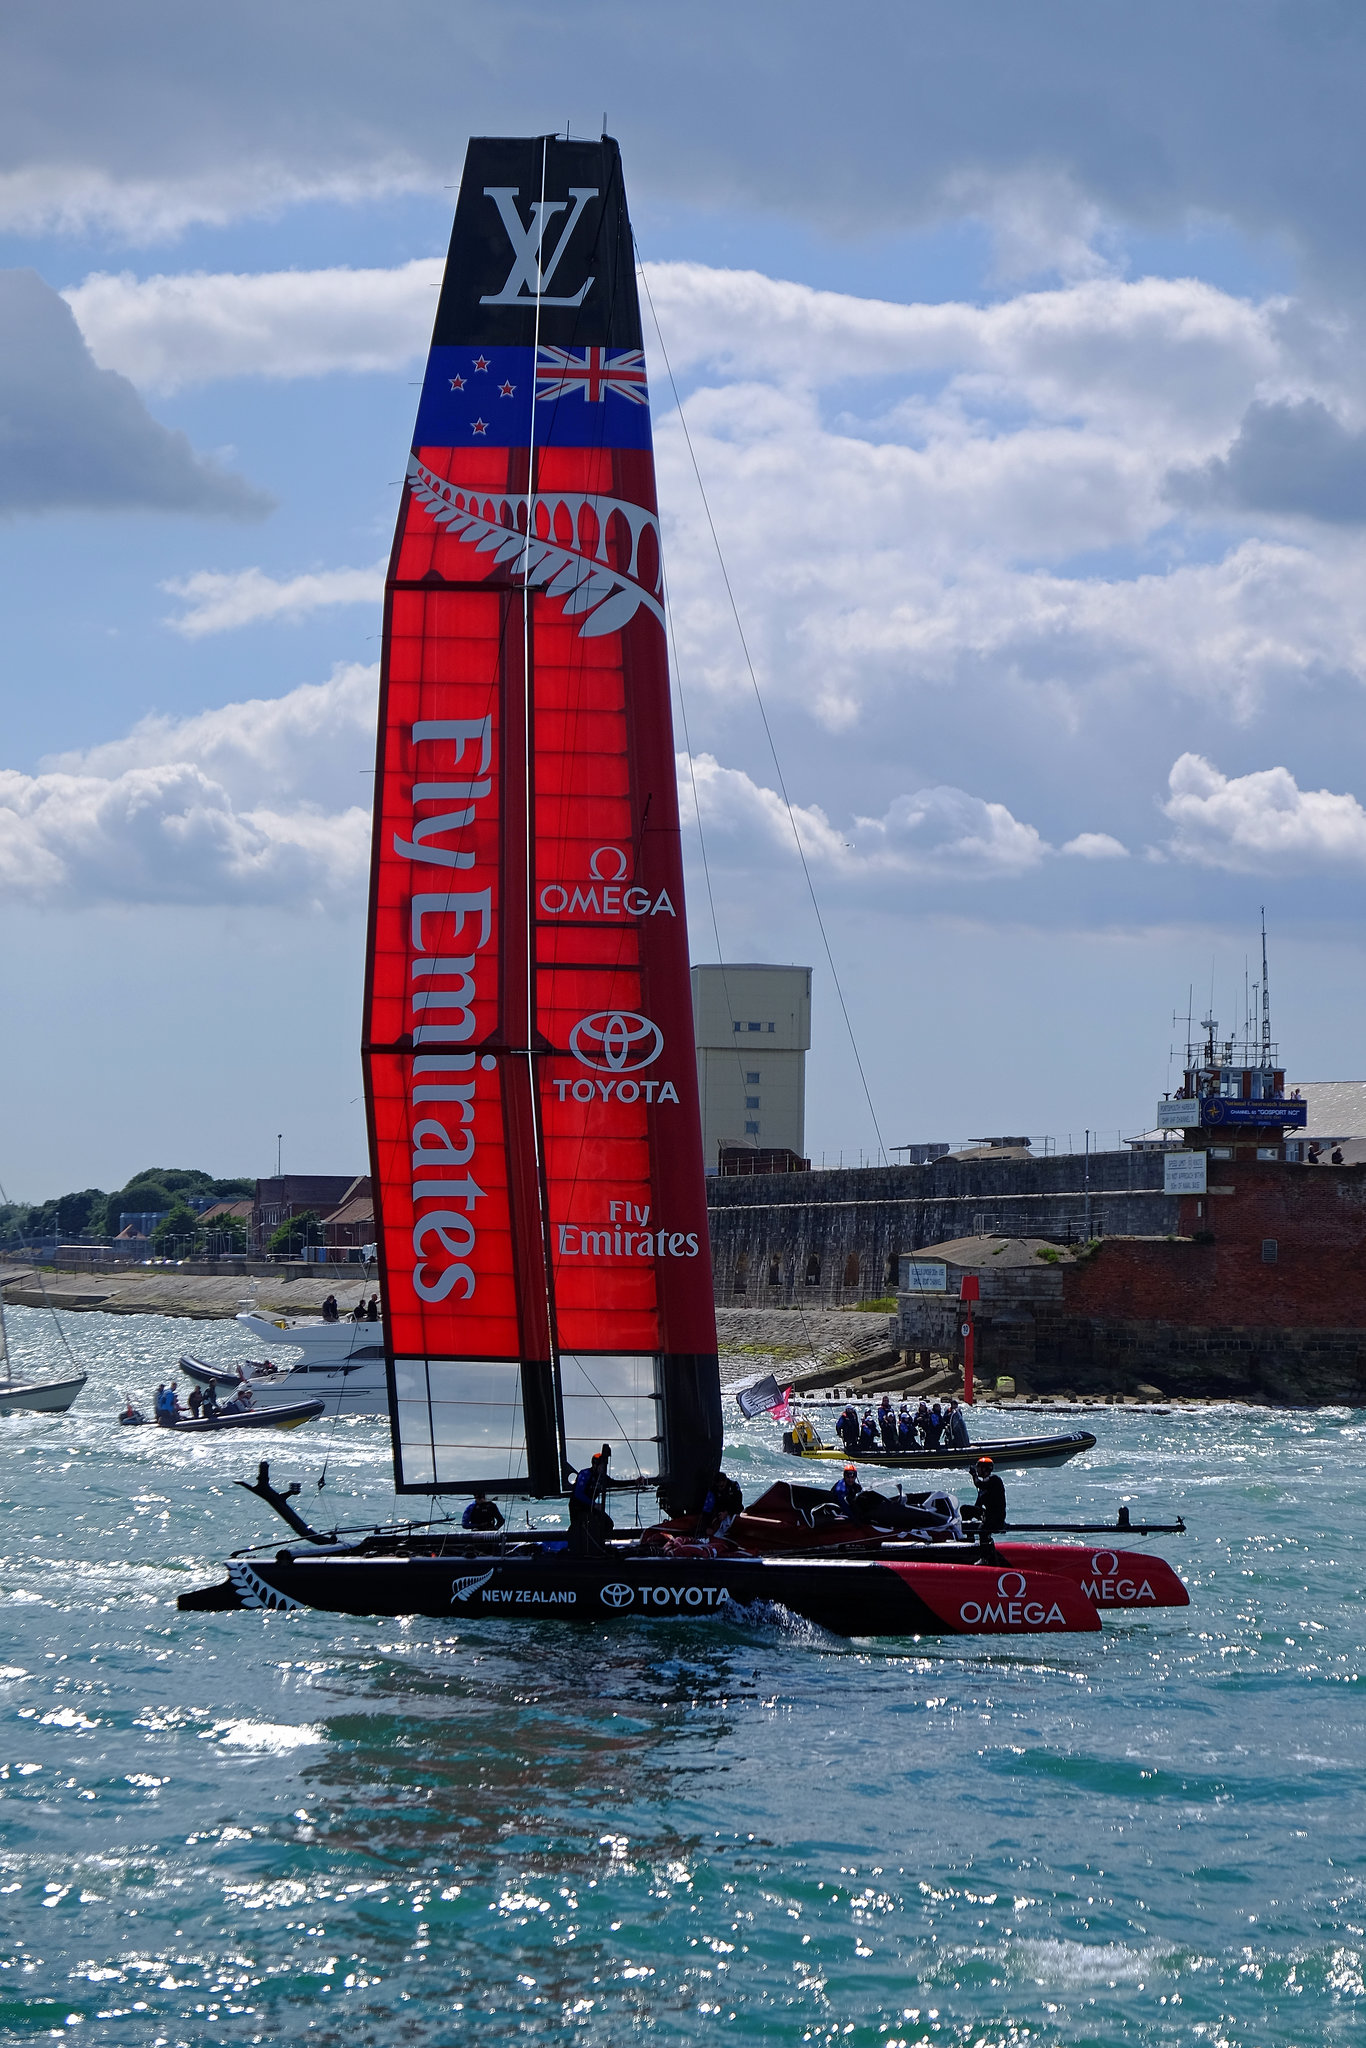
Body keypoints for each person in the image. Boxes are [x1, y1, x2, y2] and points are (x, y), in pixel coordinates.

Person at [568, 1444, 614, 1556]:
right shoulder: (585, 1474)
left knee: (608, 1524)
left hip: (590, 1507)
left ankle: (598, 1546)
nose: (603, 1468)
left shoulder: (602, 1477)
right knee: (578, 1528)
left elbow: (615, 1483)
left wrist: (635, 1482)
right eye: (601, 1466)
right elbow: (578, 1494)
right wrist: (594, 1505)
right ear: (595, 1465)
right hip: (577, 1507)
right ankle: (577, 1549)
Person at [971, 1454, 1008, 1550]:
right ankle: (969, 1541)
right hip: (987, 1514)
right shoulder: (983, 1487)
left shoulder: (994, 1480)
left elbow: (979, 1484)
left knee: (982, 1530)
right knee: (965, 1510)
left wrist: (974, 1475)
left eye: (978, 1468)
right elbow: (977, 1505)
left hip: (996, 1516)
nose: (977, 1470)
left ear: (984, 1469)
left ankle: (985, 1555)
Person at [700, 1470, 744, 1537]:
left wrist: (727, 1513)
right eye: (718, 1486)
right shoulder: (713, 1489)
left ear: (725, 1481)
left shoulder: (734, 1486)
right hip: (719, 1513)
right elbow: (707, 1508)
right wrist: (707, 1526)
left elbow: (738, 1504)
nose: (720, 1489)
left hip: (732, 1512)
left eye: (722, 1486)